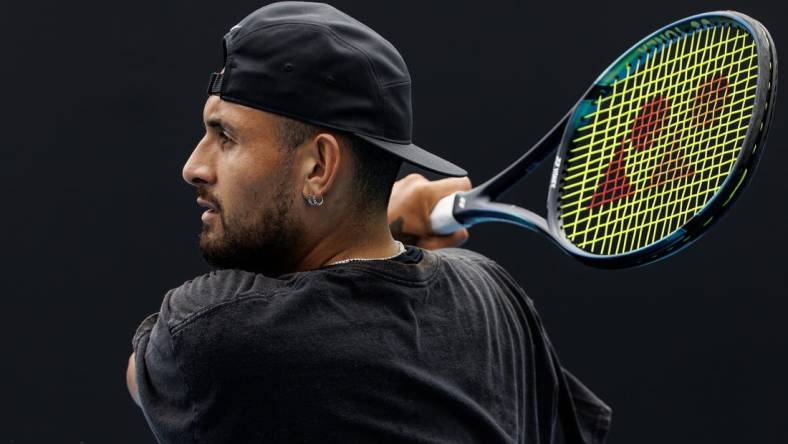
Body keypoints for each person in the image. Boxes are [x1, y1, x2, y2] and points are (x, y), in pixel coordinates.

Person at [126, 2, 611, 443]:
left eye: (225, 137)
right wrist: (387, 227)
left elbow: (143, 372)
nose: (194, 165)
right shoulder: (493, 297)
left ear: (319, 167)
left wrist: (393, 221)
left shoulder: (220, 331)